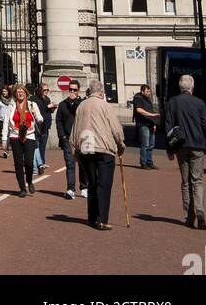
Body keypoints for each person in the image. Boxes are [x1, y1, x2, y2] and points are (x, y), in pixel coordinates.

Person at [70, 78, 126, 230]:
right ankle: (101, 219)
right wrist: (120, 144)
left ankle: (91, 216)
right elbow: (116, 129)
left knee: (92, 183)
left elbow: (75, 129)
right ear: (101, 92)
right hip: (103, 148)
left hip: (86, 149)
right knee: (104, 185)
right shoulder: (105, 105)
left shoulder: (81, 105)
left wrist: (74, 150)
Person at [164, 73, 206, 230]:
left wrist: (169, 149)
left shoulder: (173, 102)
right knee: (197, 180)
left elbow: (168, 126)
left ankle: (189, 217)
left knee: (185, 182)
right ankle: (200, 210)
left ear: (180, 87)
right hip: (198, 145)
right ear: (192, 87)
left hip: (181, 146)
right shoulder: (199, 103)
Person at [0, 83, 43, 197]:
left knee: (29, 162)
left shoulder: (32, 105)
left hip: (29, 135)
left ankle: (29, 180)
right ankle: (22, 188)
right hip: (15, 135)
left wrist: (38, 118)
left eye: (22, 91)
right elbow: (5, 123)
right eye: (18, 91)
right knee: (18, 163)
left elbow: (39, 117)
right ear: (15, 94)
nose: (20, 93)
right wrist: (4, 139)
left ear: (25, 93)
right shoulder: (11, 106)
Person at [55, 80, 84, 199]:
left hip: (81, 138)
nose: (72, 92)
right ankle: (70, 189)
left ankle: (84, 187)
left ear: (78, 91)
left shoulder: (82, 104)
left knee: (83, 164)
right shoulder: (63, 104)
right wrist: (62, 136)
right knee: (70, 164)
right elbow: (58, 121)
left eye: (74, 90)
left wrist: (75, 102)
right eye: (70, 90)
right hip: (67, 138)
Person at [132, 83, 160, 170]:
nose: (149, 93)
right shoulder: (137, 98)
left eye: (149, 92)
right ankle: (143, 163)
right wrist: (151, 115)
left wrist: (154, 123)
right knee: (145, 144)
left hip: (150, 124)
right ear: (142, 91)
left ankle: (149, 162)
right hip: (143, 124)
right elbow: (139, 110)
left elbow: (150, 110)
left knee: (151, 145)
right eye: (147, 91)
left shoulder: (148, 99)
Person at [33, 83, 55, 171]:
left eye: (47, 90)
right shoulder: (36, 99)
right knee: (37, 144)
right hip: (39, 125)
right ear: (40, 90)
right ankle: (39, 162)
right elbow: (39, 111)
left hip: (46, 124)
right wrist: (48, 107)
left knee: (43, 144)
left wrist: (52, 107)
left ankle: (42, 161)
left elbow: (48, 111)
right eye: (44, 90)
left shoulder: (47, 98)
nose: (46, 91)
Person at [0, 85, 11, 159]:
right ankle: (6, 150)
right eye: (3, 91)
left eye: (6, 91)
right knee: (4, 134)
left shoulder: (12, 99)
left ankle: (7, 150)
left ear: (8, 92)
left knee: (8, 135)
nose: (4, 93)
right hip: (1, 119)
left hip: (9, 119)